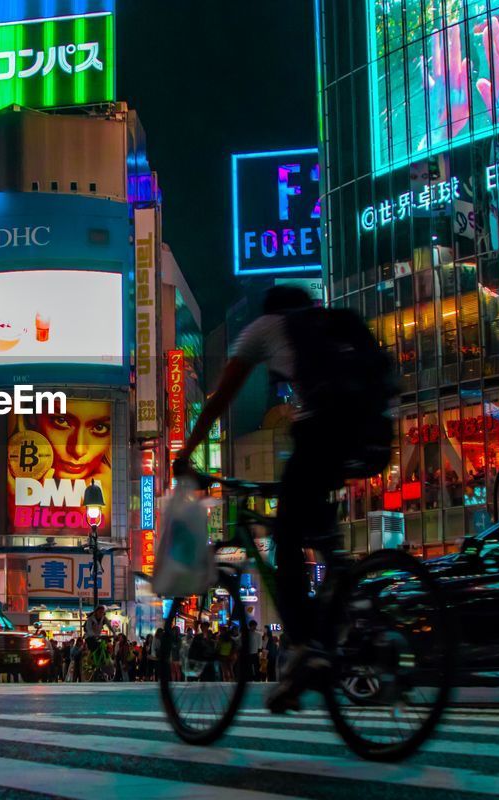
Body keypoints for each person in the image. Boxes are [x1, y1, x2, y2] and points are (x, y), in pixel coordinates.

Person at [173, 285, 366, 713]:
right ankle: (347, 607)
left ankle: (305, 648)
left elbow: (221, 396)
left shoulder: (265, 327)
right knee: (314, 526)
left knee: (288, 539)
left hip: (322, 430)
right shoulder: (326, 324)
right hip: (367, 433)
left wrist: (187, 452)